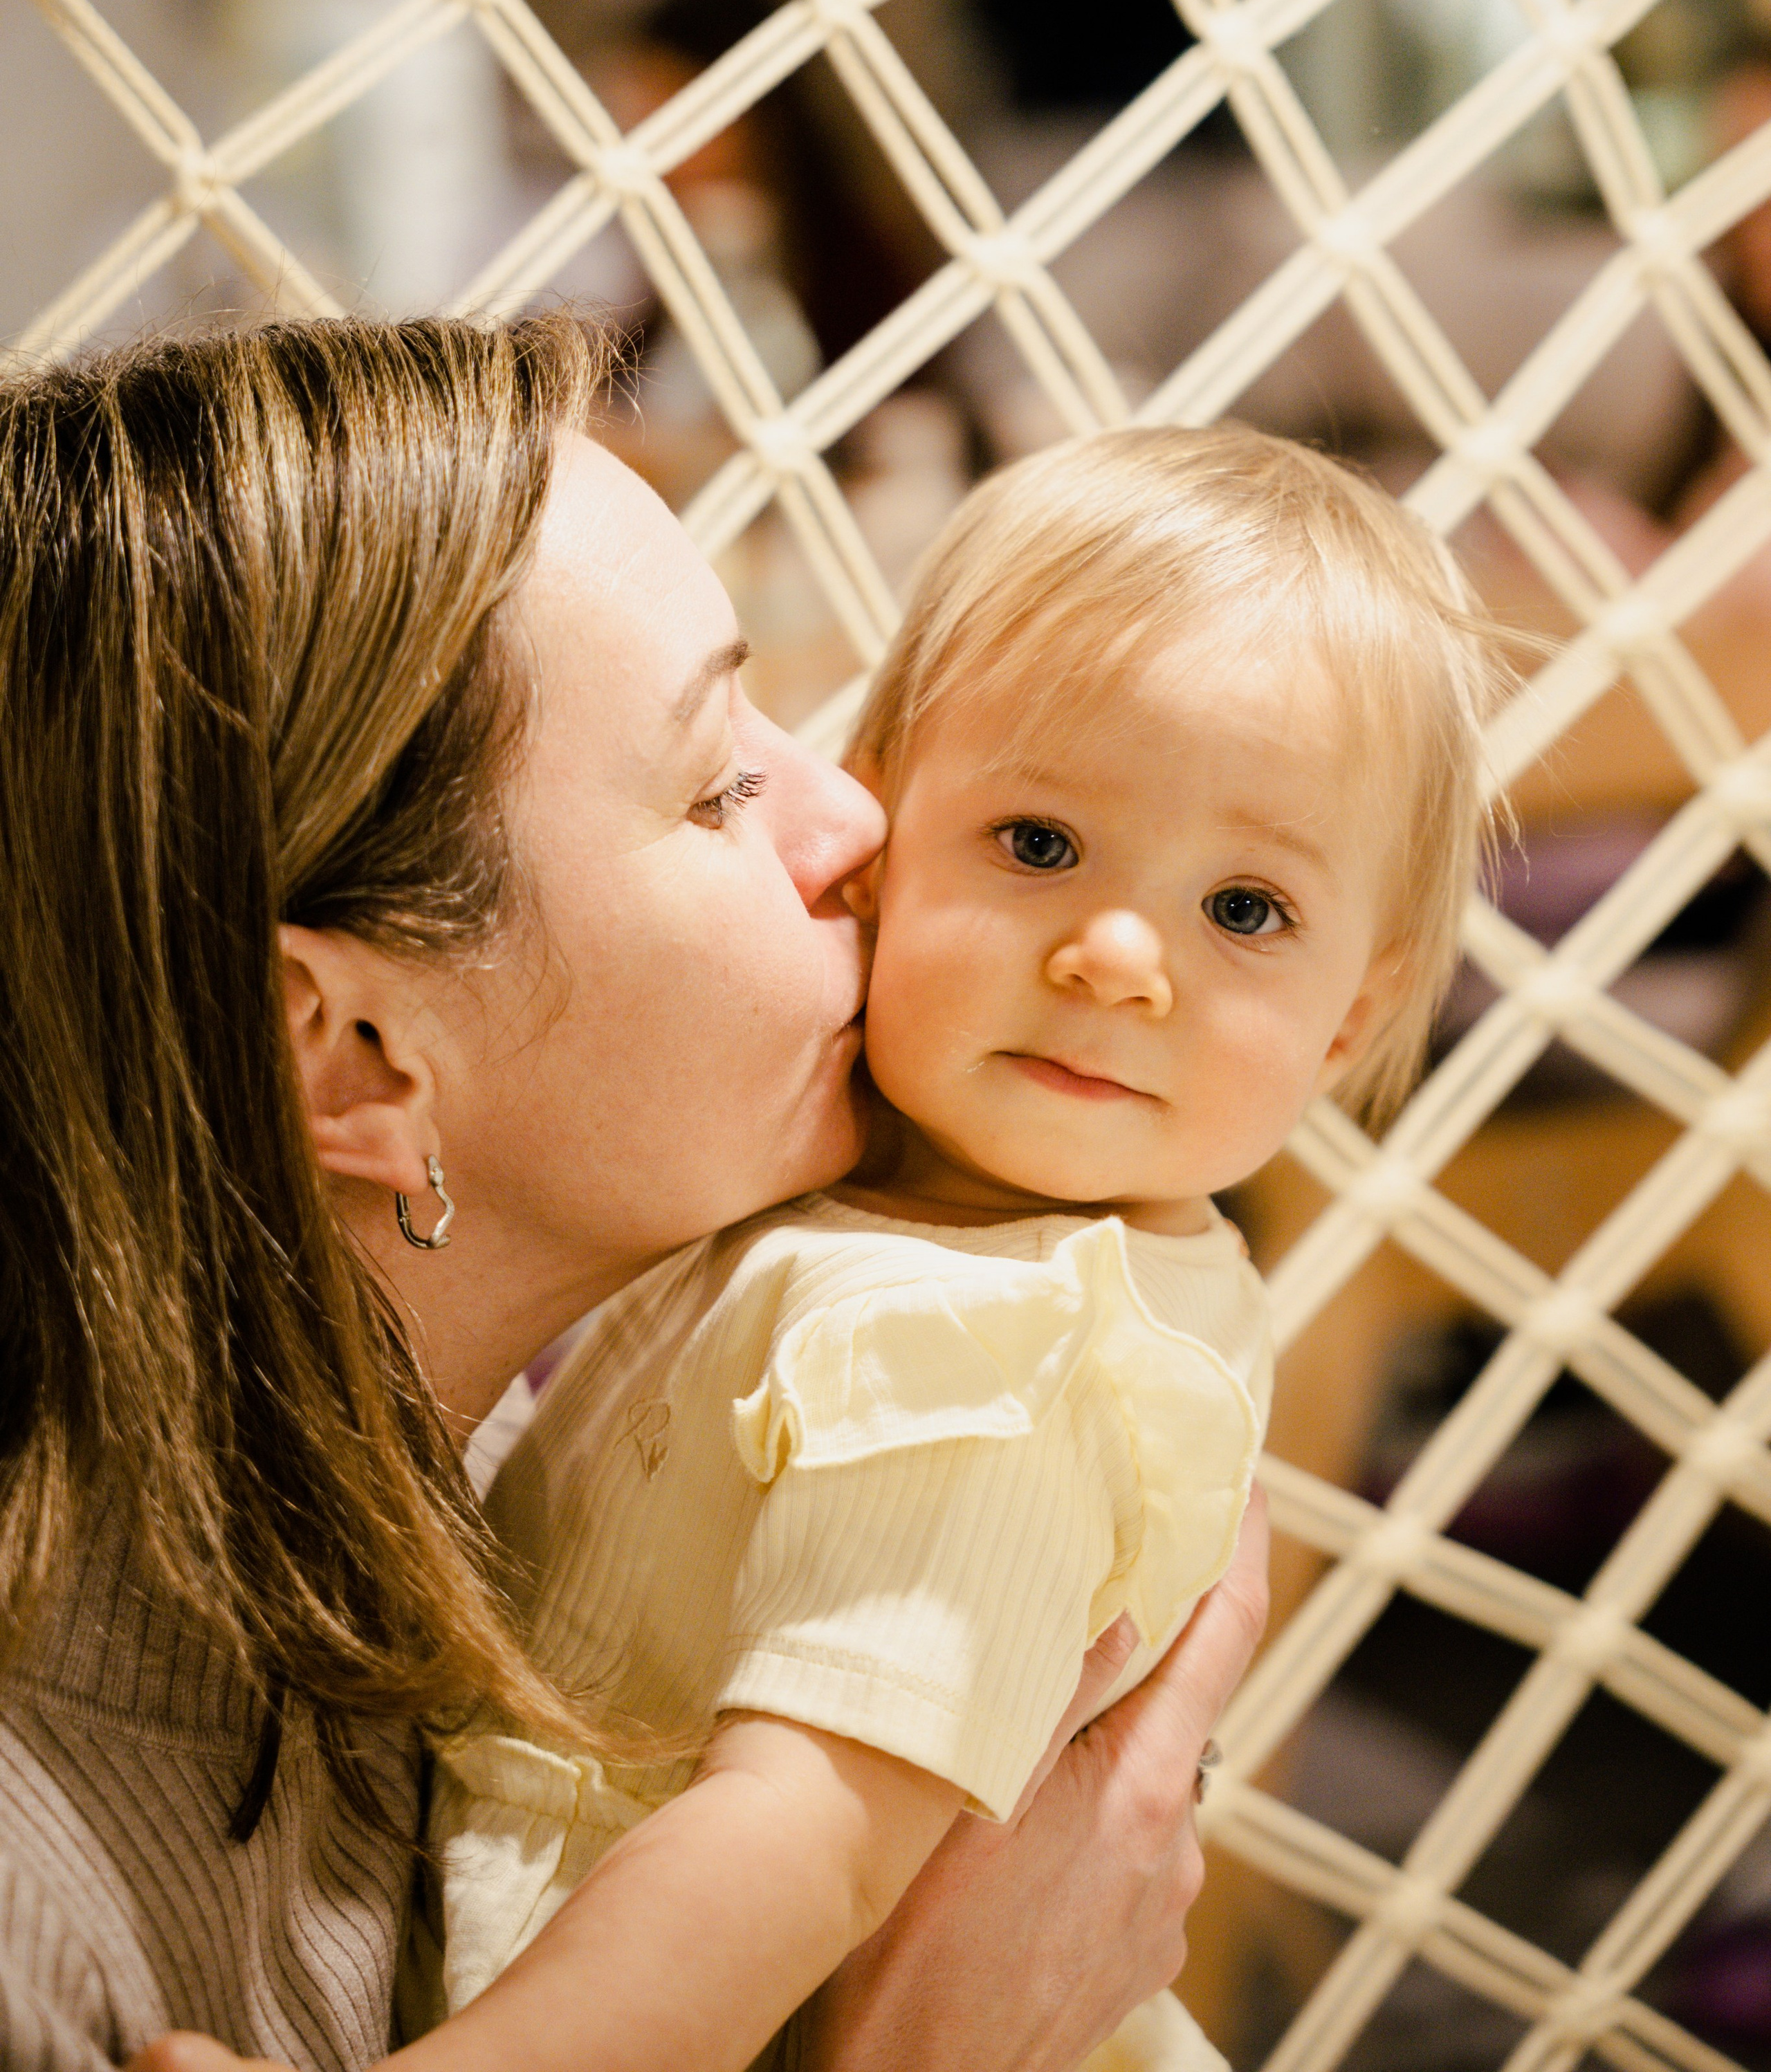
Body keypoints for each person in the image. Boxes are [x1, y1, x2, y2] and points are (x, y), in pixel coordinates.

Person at [0, 315, 1266, 2072]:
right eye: (717, 784)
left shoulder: (403, 1546)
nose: (854, 821)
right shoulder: (44, 1934)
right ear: (352, 1054)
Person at [417, 426, 1514, 2072]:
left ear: (1353, 1010)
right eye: (1039, 845)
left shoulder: (1001, 1347)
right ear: (884, 821)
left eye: (1245, 912)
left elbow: (809, 1843)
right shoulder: (876, 1199)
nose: (1119, 956)